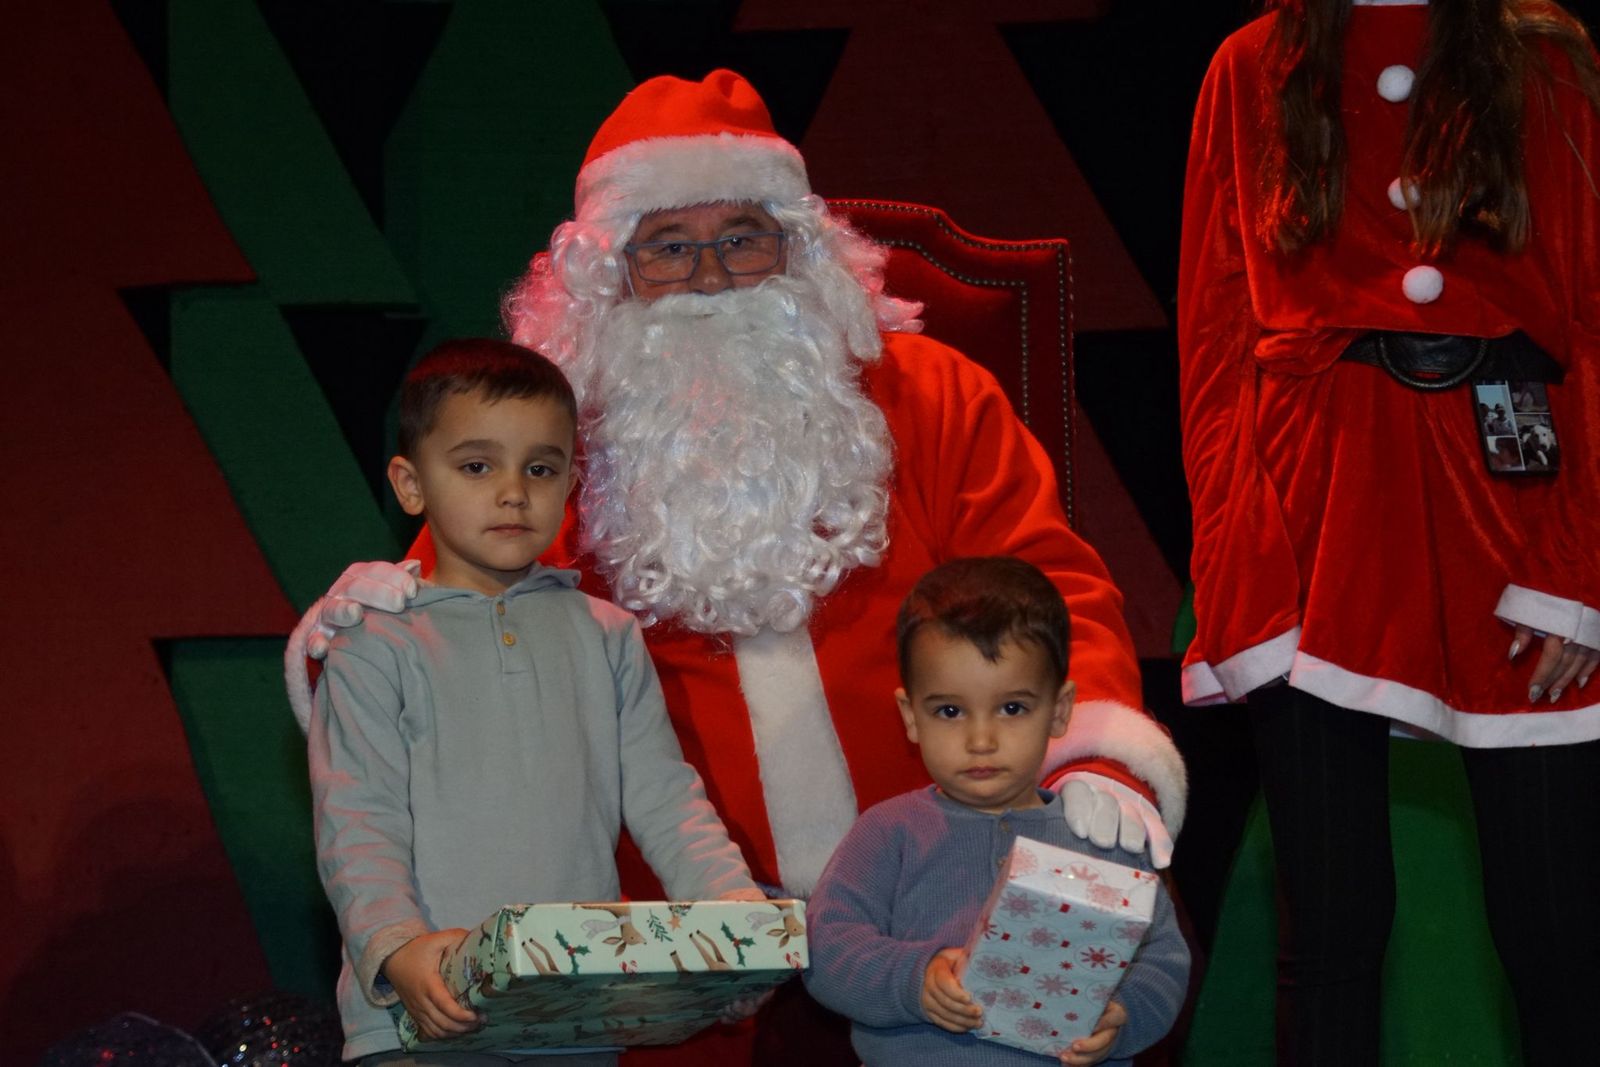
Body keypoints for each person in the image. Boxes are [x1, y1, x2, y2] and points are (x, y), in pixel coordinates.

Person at [289, 71, 1187, 1065]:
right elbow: (450, 594)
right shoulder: (558, 441)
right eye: (669, 247)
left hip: (933, 911)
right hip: (675, 943)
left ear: (798, 246)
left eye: (742, 237)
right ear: (610, 277)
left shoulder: (932, 396)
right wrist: (362, 613)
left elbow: (1047, 583)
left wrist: (1098, 751)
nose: (712, 276)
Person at [1179, 1, 1600, 1063]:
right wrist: (1239, 564)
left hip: (1510, 506)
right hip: (1316, 516)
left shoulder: (1537, 62)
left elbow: (1591, 314)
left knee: (1558, 939)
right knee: (1327, 932)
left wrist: (1578, 573)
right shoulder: (1250, 64)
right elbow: (1217, 333)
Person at [309, 339, 763, 1065]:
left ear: (571, 482)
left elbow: (665, 796)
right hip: (424, 1014)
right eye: (477, 465)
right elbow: (357, 820)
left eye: (541, 467)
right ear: (410, 482)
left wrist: (733, 908)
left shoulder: (607, 634)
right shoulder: (375, 642)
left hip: (572, 1008)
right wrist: (398, 947)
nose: (513, 490)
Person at [803, 558, 1188, 1067]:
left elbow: (1161, 958)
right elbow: (826, 946)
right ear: (910, 716)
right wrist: (914, 980)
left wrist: (1122, 1014)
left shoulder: (1102, 839)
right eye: (949, 711)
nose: (980, 740)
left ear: (1060, 710)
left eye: (1012, 708)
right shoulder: (887, 832)